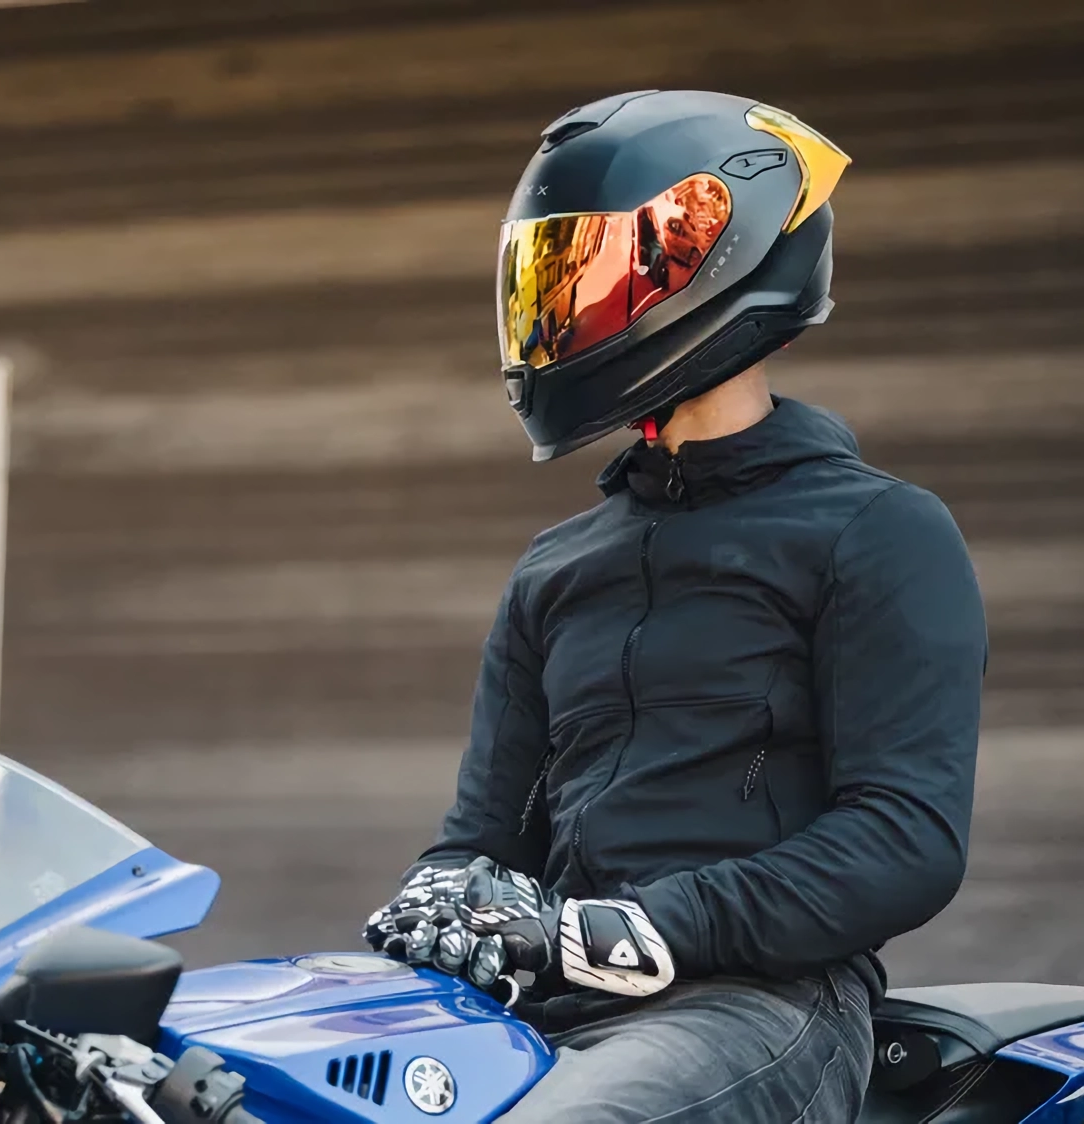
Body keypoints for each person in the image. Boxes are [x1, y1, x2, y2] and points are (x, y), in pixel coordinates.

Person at [365, 89, 987, 1122]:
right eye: (550, 276)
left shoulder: (879, 531)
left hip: (753, 1004)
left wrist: (621, 927)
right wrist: (443, 893)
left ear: (716, 260)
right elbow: (483, 834)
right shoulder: (556, 565)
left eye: (593, 268)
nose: (560, 308)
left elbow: (904, 839)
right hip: (541, 1006)